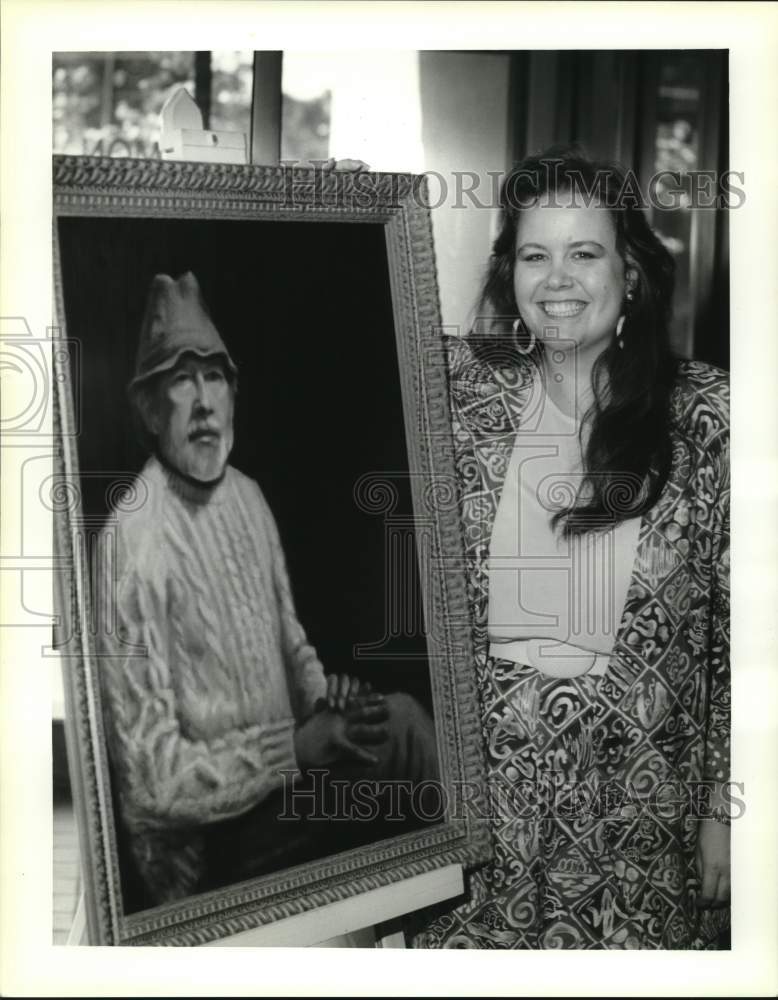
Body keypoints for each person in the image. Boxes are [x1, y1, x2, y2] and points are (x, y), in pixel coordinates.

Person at [412, 147, 730, 949]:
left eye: (584, 253)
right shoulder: (456, 391)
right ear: (508, 274)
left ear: (631, 273)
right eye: (534, 255)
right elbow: (335, 335)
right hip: (479, 818)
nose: (558, 280)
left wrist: (723, 809)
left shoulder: (707, 416)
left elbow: (744, 640)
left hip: (640, 811)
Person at [96, 271, 438, 910]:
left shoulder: (248, 497)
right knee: (408, 741)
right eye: (179, 379)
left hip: (282, 788)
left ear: (233, 395)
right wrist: (294, 750)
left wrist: (324, 702)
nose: (202, 401)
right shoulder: (130, 540)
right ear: (147, 407)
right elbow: (151, 783)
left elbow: (292, 646)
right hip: (203, 851)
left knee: (400, 724)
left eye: (214, 377)